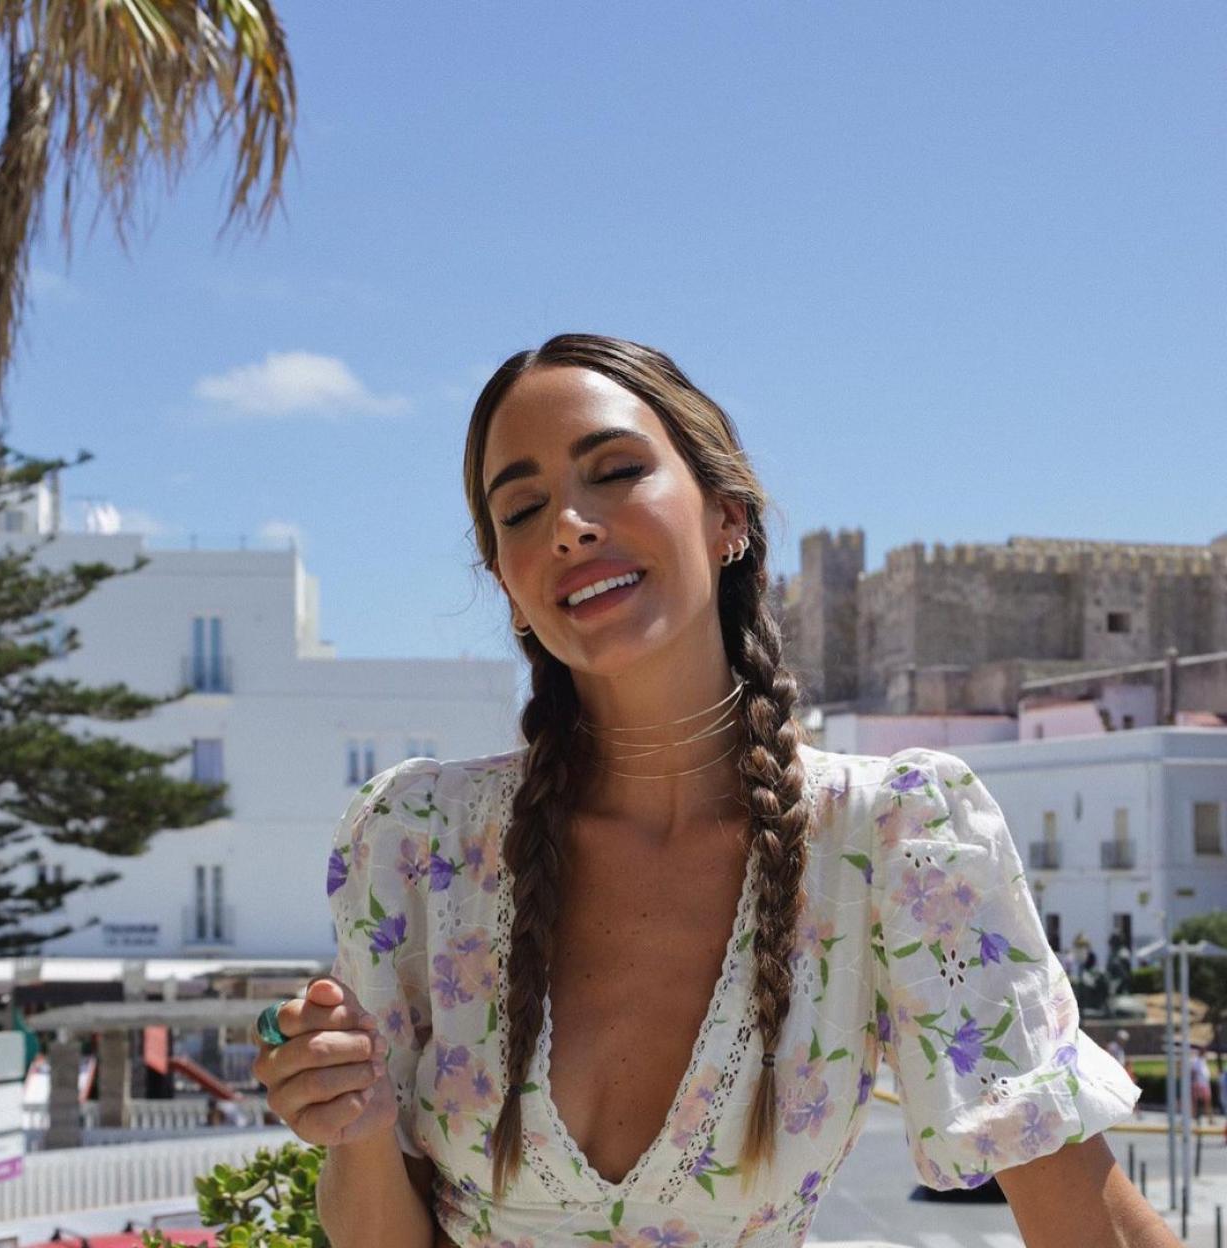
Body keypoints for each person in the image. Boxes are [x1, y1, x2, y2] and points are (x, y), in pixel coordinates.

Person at [250, 335, 1173, 1247]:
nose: (568, 525)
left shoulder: (896, 840)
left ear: (727, 515)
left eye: (616, 471)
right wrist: (355, 1125)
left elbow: (1089, 1225)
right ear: (506, 581)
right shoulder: (417, 844)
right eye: (522, 510)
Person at [1192, 1046, 1212, 1124]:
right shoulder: (1196, 1060)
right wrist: (1196, 1083)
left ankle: (1209, 1118)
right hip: (1199, 1084)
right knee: (1197, 1101)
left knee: (1207, 1101)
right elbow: (1193, 1072)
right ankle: (1195, 1116)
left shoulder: (1203, 1060)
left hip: (1205, 1084)